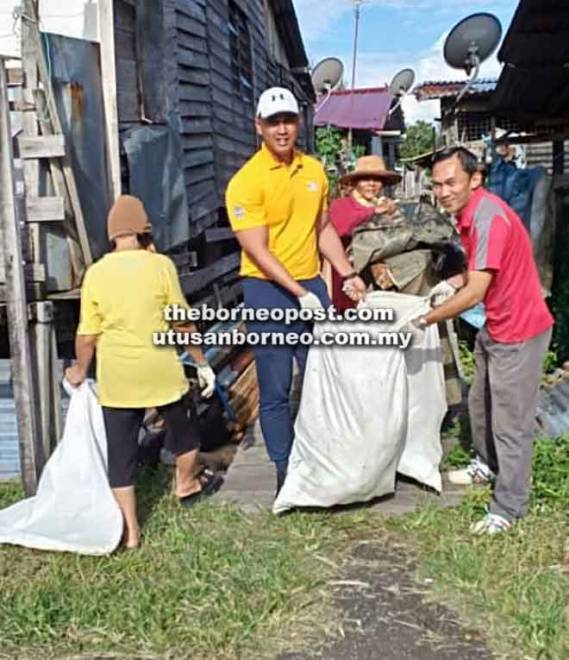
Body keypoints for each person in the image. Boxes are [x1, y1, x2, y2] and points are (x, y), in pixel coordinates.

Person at [225, 86, 366, 494]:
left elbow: (322, 229)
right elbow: (256, 248)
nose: (282, 129)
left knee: (325, 377)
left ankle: (325, 457)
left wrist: (345, 272)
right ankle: (286, 472)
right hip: (267, 289)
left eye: (288, 119)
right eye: (273, 122)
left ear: (298, 122)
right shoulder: (245, 182)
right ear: (259, 127)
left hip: (310, 285)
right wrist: (296, 292)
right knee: (275, 386)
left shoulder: (314, 171)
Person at [64, 195, 219, 549]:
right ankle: (186, 484)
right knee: (186, 436)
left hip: (117, 376)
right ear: (144, 228)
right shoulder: (159, 266)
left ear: (112, 233)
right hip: (160, 369)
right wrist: (201, 362)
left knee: (121, 455)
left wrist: (79, 369)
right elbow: (182, 323)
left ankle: (131, 532)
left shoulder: (96, 273)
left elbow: (87, 335)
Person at [414, 147, 554, 535]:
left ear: (474, 179)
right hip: (497, 324)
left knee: (511, 421)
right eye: (437, 184)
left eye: (451, 182)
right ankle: (486, 464)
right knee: (480, 403)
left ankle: (509, 506)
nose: (442, 191)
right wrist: (447, 284)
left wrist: (426, 317)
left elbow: (475, 292)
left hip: (521, 330)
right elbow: (478, 273)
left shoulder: (489, 217)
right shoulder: (470, 214)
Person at [328, 155, 400, 311]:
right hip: (346, 277)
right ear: (355, 183)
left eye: (377, 179)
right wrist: (374, 212)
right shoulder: (341, 205)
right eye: (366, 179)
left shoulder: (387, 206)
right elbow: (339, 228)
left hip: (378, 279)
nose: (372, 184)